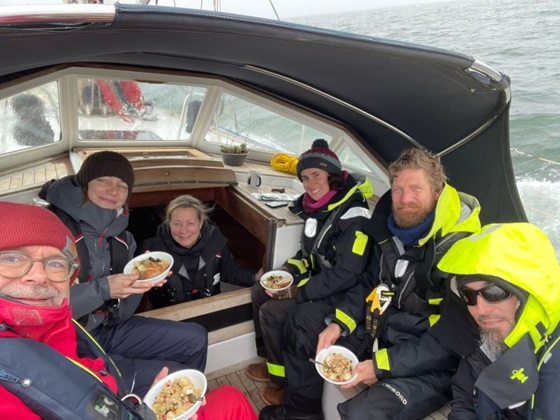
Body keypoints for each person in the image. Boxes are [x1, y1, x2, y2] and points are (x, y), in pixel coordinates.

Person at [260, 147, 482, 420]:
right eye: (398, 189)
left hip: (427, 359)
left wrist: (380, 366)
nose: (405, 198)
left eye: (416, 188)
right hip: (377, 328)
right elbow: (369, 281)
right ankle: (300, 414)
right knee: (303, 323)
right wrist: (339, 322)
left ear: (437, 191)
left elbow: (453, 339)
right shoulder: (390, 229)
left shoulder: (465, 253)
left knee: (362, 413)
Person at [0, 201, 258, 420]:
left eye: (55, 263)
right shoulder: (154, 249)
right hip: (113, 373)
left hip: (110, 344)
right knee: (232, 398)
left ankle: (186, 398)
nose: (38, 276)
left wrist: (134, 288)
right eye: (12, 259)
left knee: (195, 338)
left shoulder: (58, 324)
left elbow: (90, 368)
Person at [37, 150, 208, 397]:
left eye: (122, 185)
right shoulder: (53, 229)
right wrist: (104, 288)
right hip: (69, 341)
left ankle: (177, 407)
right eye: (103, 180)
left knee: (196, 338)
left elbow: (122, 313)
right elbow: (43, 308)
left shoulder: (124, 238)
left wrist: (139, 286)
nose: (113, 191)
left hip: (108, 327)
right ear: (84, 183)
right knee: (175, 377)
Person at [246, 139, 373, 407]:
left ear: (333, 177)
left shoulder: (355, 215)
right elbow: (309, 256)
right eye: (304, 177)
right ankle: (273, 367)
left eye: (316, 175)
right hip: (322, 281)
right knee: (260, 291)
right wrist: (288, 270)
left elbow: (348, 274)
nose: (310, 184)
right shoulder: (315, 208)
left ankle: (284, 382)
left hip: (346, 292)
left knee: (273, 312)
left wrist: (298, 291)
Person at [436, 222, 560, 419]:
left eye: (494, 292)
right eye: (468, 295)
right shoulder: (487, 341)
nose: (481, 310)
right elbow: (466, 399)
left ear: (531, 294)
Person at [141, 194, 264, 308]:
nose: (183, 230)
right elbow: (139, 284)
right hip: (168, 313)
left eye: (190, 223)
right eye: (177, 224)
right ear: (169, 224)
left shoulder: (215, 242)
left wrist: (254, 277)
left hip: (208, 307)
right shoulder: (153, 251)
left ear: (200, 223)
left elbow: (230, 271)